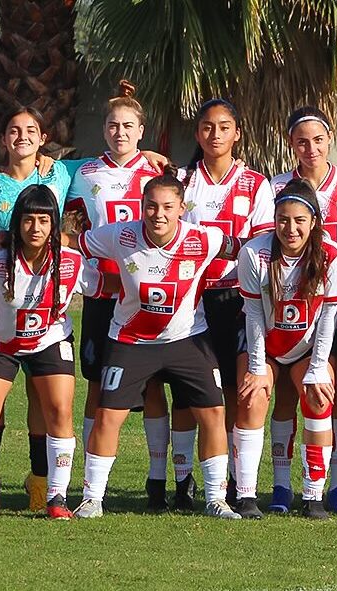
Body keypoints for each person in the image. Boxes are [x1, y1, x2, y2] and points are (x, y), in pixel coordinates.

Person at [72, 174, 242, 520]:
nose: (158, 214)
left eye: (167, 207)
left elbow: (244, 247)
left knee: (214, 413)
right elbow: (75, 243)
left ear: (182, 209)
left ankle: (215, 498)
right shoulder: (121, 235)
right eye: (151, 206)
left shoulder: (203, 238)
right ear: (141, 207)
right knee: (108, 415)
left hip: (188, 339)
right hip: (131, 341)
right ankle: (92, 498)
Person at [64, 82, 193, 512]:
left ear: (141, 130)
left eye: (128, 125)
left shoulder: (159, 173)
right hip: (105, 294)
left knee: (159, 384)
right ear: (103, 129)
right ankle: (87, 484)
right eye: (113, 125)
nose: (120, 132)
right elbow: (74, 228)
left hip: (156, 295)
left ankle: (161, 478)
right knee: (98, 385)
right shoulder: (83, 173)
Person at [0, 185, 109, 521]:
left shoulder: (71, 262)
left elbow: (101, 286)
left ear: (54, 226)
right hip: (0, 343)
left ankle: (57, 497)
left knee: (60, 412)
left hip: (50, 340)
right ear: (16, 224)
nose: (35, 228)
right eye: (27, 220)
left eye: (43, 220)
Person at [0, 105, 74, 513]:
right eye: (13, 129)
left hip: (46, 323)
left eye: (31, 130)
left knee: (49, 406)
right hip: (0, 312)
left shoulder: (60, 173)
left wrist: (149, 155)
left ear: (43, 138)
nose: (22, 136)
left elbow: (108, 166)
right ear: (2, 139)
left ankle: (44, 485)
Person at [268, 106, 337, 514]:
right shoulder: (276, 186)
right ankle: (279, 489)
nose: (311, 148)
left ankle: (335, 486)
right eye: (301, 141)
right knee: (285, 400)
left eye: (318, 139)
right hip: (289, 310)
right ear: (291, 145)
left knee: (332, 395)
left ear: (330, 141)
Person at [177, 99, 274, 504]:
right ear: (197, 133)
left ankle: (240, 486)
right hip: (191, 300)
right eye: (206, 127)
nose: (215, 135)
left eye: (223, 127)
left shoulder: (256, 184)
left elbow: (263, 245)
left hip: (240, 300)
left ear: (237, 132)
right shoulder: (180, 180)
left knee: (242, 392)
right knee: (190, 395)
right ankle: (182, 481)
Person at [236, 178, 337, 519]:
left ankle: (313, 496)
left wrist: (316, 367)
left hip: (307, 347)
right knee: (252, 397)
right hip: (264, 344)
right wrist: (257, 367)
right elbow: (254, 314)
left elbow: (328, 316)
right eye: (283, 219)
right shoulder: (254, 252)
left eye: (299, 220)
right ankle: (248, 495)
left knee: (318, 395)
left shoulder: (331, 254)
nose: (291, 228)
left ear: (314, 222)